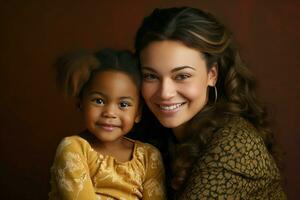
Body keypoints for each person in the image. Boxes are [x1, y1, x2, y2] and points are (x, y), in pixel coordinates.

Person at [134, 7, 286, 199]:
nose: (165, 93)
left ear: (211, 75)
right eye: (151, 76)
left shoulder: (235, 144)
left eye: (182, 76)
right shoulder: (156, 136)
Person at [49, 49, 166, 200]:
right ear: (80, 103)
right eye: (99, 101)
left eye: (123, 104)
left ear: (138, 113)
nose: (110, 112)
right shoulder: (73, 148)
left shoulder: (149, 156)